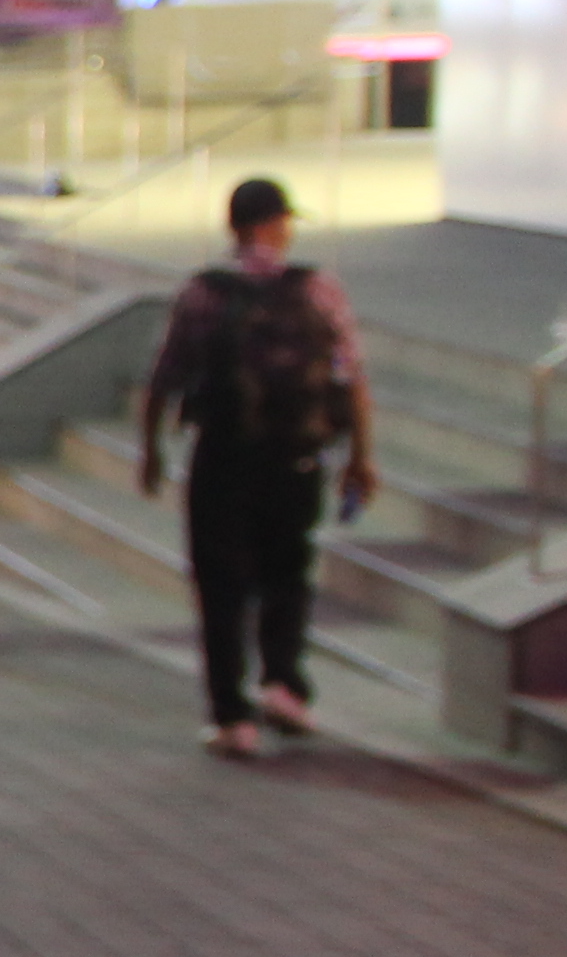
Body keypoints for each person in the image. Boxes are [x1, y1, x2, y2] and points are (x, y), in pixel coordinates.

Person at [133, 177, 383, 756]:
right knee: (289, 571)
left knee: (219, 584)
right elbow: (353, 378)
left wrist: (150, 449)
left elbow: (164, 377)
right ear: (272, 224)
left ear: (233, 228)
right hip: (296, 454)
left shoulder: (203, 294)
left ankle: (231, 719)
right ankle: (284, 686)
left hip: (223, 456)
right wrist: (361, 458)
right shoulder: (319, 290)